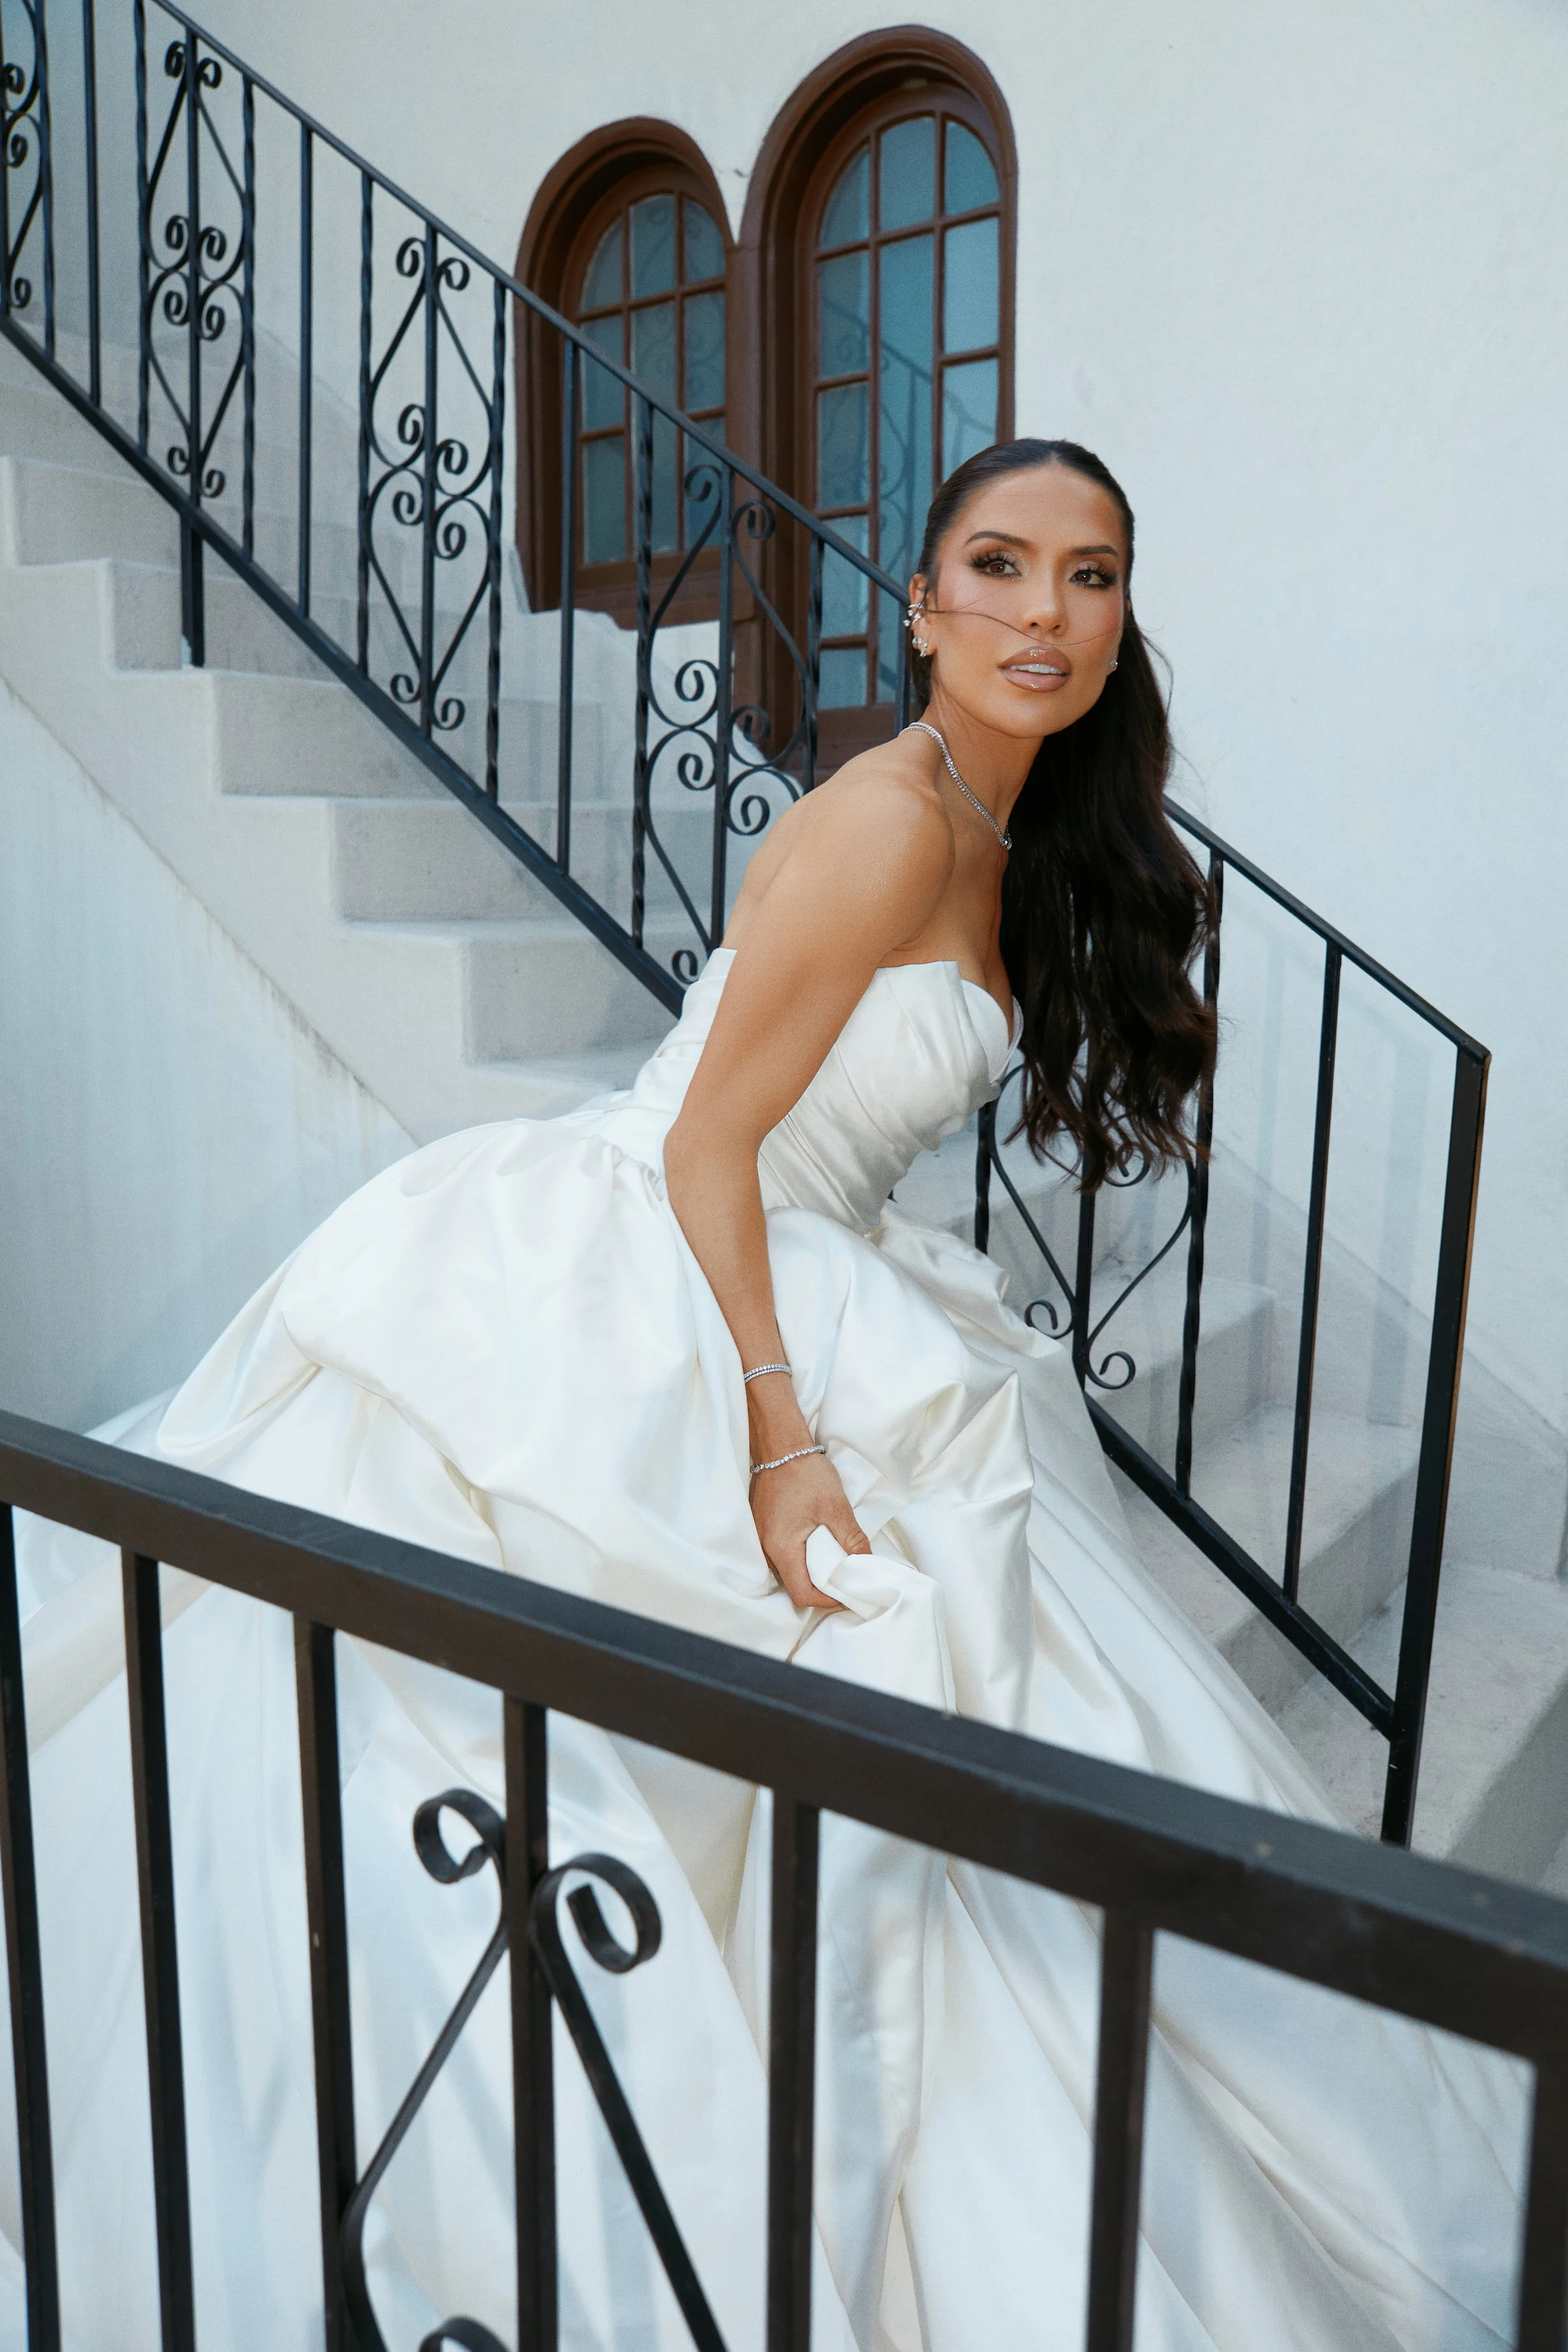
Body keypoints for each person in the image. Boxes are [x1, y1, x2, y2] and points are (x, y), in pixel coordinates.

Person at [10, 441, 1525, 2351]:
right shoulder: (889, 823)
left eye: (1089, 575)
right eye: (999, 566)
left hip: (813, 1248)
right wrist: (781, 1435)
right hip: (680, 1248)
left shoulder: (996, 820)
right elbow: (708, 1143)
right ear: (920, 605)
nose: (1045, 612)